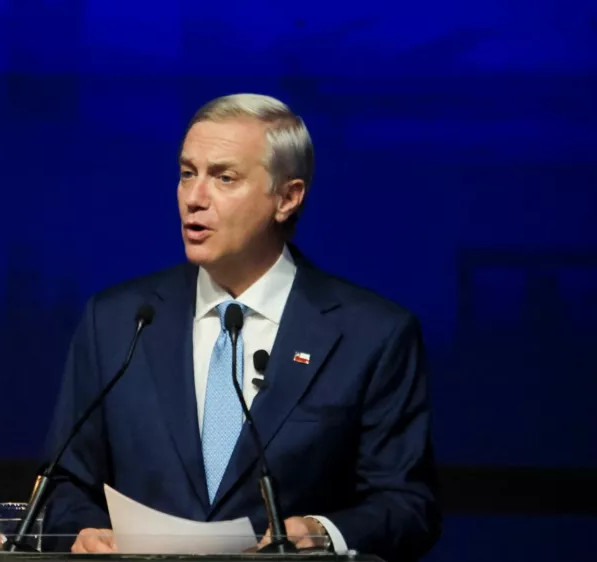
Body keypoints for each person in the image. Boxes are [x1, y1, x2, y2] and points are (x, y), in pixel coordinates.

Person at [41, 93, 441, 562]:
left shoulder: (372, 334)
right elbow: (64, 483)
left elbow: (408, 505)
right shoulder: (116, 320)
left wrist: (320, 531)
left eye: (223, 177)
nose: (194, 197)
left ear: (287, 198)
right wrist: (84, 531)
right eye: (187, 173)